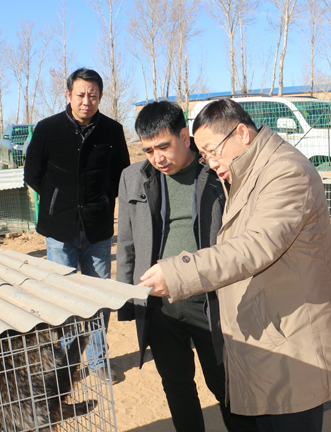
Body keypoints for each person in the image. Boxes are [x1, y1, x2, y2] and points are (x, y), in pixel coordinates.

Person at [138, 98, 331, 431]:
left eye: (212, 151)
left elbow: (257, 244)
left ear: (242, 133)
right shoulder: (247, 171)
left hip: (294, 340)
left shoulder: (285, 171)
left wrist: (180, 271)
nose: (209, 163)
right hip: (269, 330)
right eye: (205, 155)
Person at [116, 101, 257, 432]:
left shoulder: (218, 172)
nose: (157, 158)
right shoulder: (133, 178)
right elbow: (126, 243)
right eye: (148, 150)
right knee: (176, 386)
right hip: (158, 302)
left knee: (227, 385)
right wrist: (128, 300)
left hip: (210, 300)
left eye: (164, 146)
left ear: (184, 136)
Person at [24, 67, 130, 383]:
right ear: (68, 94)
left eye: (93, 95)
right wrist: (59, 201)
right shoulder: (47, 129)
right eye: (81, 94)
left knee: (98, 295)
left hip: (97, 228)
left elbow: (121, 175)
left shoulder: (112, 131)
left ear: (100, 97)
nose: (87, 101)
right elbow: (32, 174)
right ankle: (66, 365)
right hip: (60, 229)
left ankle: (98, 360)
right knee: (64, 296)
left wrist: (100, 202)